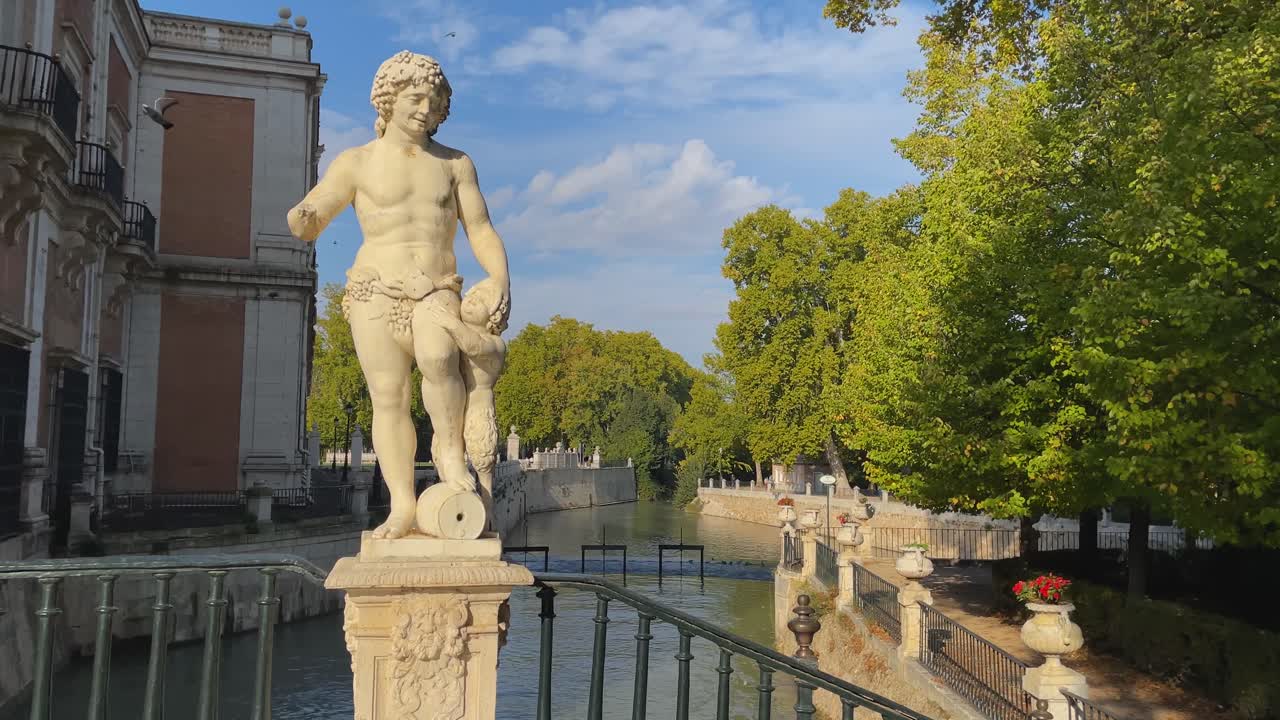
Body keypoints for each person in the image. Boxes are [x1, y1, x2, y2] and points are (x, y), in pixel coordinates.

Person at [286, 51, 510, 539]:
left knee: (438, 361)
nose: (425, 109)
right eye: (415, 98)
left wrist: (499, 278)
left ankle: (450, 459)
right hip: (375, 289)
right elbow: (316, 213)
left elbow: (481, 229)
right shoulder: (357, 162)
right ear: (389, 99)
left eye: (434, 100)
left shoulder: (455, 164)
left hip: (435, 289)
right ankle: (403, 506)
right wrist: (303, 217)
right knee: (387, 397)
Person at [427, 278, 508, 524]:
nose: (472, 300)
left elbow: (472, 346)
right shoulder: (455, 328)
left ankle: (487, 506)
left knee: (482, 457)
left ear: (492, 317)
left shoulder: (496, 344)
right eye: (471, 295)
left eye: (482, 301)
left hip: (477, 403)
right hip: (453, 400)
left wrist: (447, 321)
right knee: (443, 451)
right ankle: (451, 501)